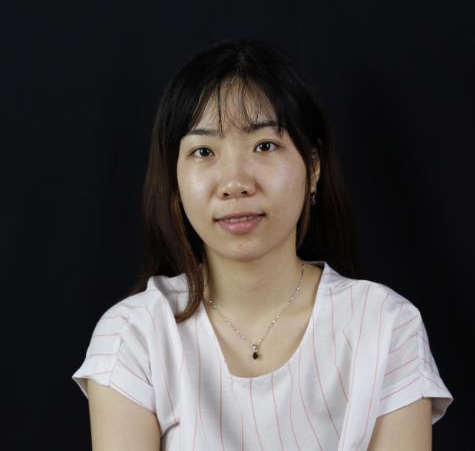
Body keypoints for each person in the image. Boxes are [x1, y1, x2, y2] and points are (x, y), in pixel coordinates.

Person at [72, 38, 453, 450]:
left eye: (264, 146)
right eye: (204, 151)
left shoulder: (386, 326)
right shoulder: (134, 336)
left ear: (313, 167)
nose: (235, 183)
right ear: (174, 180)